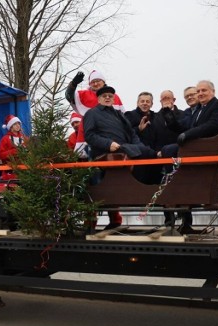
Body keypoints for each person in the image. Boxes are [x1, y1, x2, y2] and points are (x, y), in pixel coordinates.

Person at [158, 80, 218, 233]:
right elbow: (183, 127)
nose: (200, 93)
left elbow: (213, 125)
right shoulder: (198, 110)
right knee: (167, 150)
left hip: (206, 148)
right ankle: (174, 179)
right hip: (196, 148)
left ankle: (174, 178)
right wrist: (168, 114)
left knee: (169, 149)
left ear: (213, 91)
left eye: (204, 90)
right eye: (199, 91)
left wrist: (188, 134)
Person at [83, 86, 156, 230]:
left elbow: (132, 134)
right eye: (104, 95)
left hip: (125, 150)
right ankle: (93, 221)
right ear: (98, 99)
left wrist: (140, 147)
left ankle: (152, 192)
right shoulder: (92, 114)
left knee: (150, 154)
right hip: (104, 153)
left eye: (110, 95)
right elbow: (89, 136)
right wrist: (108, 143)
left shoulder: (119, 114)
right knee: (99, 186)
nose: (108, 97)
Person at [66, 70, 125, 228]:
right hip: (89, 144)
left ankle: (115, 220)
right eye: (93, 81)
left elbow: (123, 120)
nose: (96, 83)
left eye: (99, 80)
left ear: (104, 82)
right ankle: (90, 222)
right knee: (91, 184)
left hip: (111, 145)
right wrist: (73, 83)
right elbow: (69, 96)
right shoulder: (84, 95)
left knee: (111, 183)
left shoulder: (113, 97)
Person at [135, 90, 192, 228]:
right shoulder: (154, 117)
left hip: (179, 156)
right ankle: (169, 222)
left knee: (183, 188)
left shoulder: (183, 114)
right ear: (160, 101)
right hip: (160, 158)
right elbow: (150, 138)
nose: (166, 100)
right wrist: (156, 152)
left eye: (168, 97)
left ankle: (186, 223)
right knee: (163, 189)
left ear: (174, 99)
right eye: (163, 98)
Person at [0, 114, 27, 180]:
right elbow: (1, 155)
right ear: (10, 126)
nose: (18, 125)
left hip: (24, 171)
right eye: (15, 124)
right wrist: (14, 151)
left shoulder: (25, 138)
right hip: (9, 172)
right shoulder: (5, 139)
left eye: (18, 124)